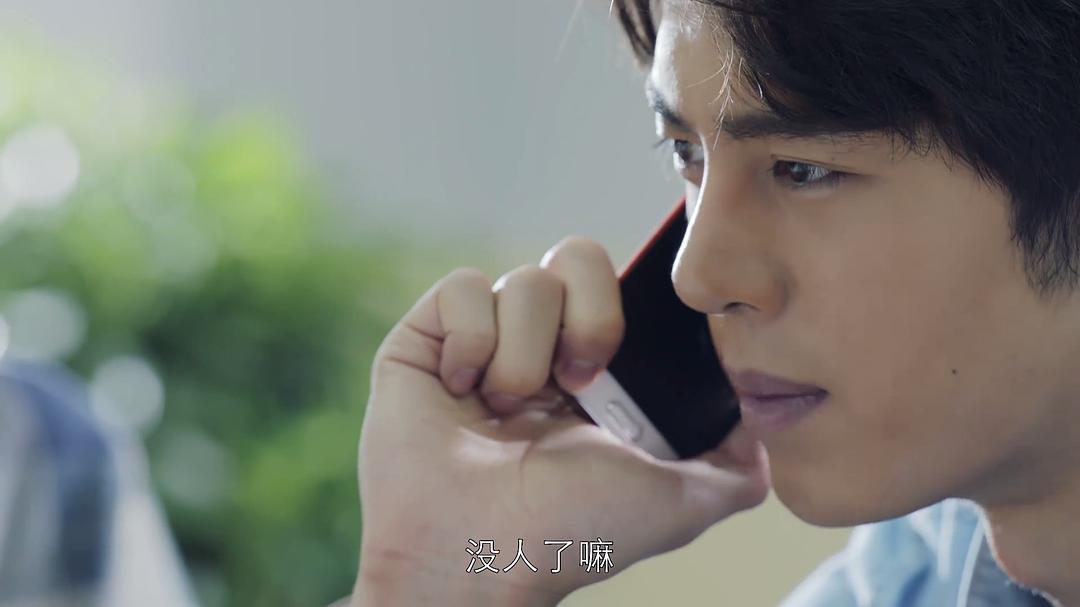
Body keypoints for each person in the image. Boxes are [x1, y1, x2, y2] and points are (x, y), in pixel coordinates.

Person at [345, 1, 1080, 606]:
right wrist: (452, 577)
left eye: (803, 170)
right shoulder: (915, 574)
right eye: (686, 153)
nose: (693, 278)